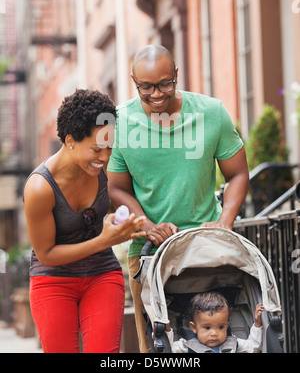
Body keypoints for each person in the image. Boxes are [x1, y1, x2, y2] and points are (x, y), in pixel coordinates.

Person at [107, 44, 249, 352]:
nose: (156, 94)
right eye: (145, 87)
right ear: (133, 80)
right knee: (157, 349)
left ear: (176, 75)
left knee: (216, 344)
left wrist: (224, 223)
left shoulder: (211, 113)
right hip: (148, 255)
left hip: (207, 251)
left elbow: (238, 174)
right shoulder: (118, 122)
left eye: (164, 84)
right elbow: (116, 188)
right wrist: (146, 225)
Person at [23, 89, 145, 353]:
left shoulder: (104, 173)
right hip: (52, 281)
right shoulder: (40, 188)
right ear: (70, 141)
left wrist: (141, 225)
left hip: (102, 274)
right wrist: (103, 240)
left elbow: (124, 203)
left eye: (110, 147)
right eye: (97, 148)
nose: (105, 157)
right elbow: (46, 254)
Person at [166, 292, 264, 353]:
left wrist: (257, 324)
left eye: (221, 327)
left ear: (227, 326)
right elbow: (167, 349)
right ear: (194, 328)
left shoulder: (233, 343)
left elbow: (254, 347)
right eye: (207, 328)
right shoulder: (186, 346)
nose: (214, 333)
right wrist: (167, 331)